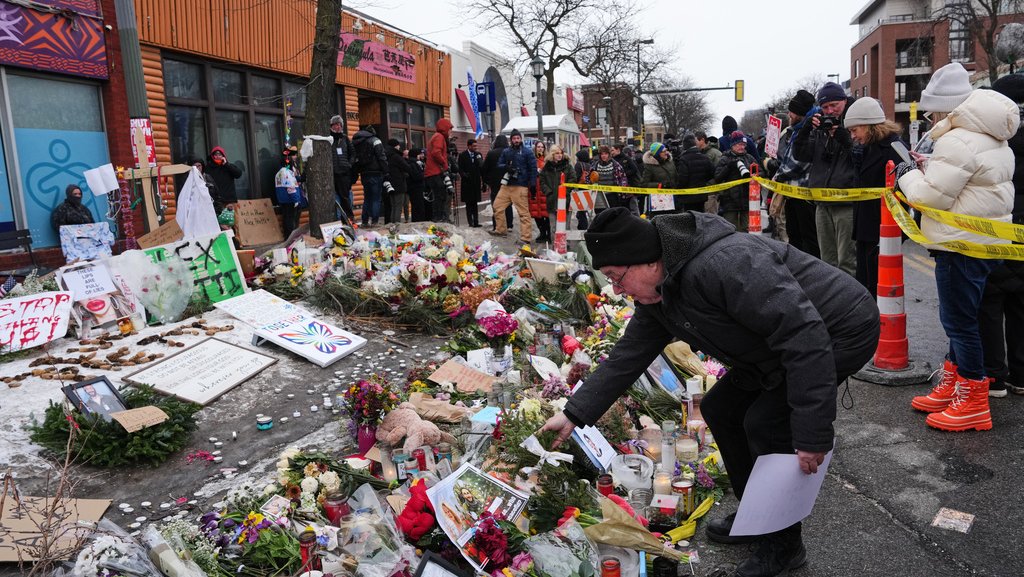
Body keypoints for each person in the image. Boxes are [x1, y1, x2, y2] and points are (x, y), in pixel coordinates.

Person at [539, 207, 879, 577]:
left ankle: (783, 548)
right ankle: (756, 515)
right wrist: (573, 414)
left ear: (646, 261)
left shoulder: (724, 263)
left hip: (838, 330)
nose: (618, 290)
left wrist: (812, 432)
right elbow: (627, 356)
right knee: (721, 408)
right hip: (772, 347)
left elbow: (804, 336)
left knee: (767, 423)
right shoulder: (660, 293)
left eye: (617, 278)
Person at [899, 88, 1019, 432]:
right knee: (966, 317)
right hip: (984, 244)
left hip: (958, 245)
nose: (930, 119)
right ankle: (955, 385)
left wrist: (908, 173)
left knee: (959, 323)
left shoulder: (957, 141)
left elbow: (928, 196)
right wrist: (931, 169)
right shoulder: (995, 141)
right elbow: (970, 184)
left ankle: (972, 401)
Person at [980, 73, 1024, 397]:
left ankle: (994, 375)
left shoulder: (995, 138)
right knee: (1021, 302)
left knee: (990, 299)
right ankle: (1021, 375)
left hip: (998, 223)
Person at [793, 82, 858, 275]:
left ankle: (850, 301)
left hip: (846, 202)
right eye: (825, 107)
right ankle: (833, 301)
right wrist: (805, 128)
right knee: (827, 261)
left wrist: (841, 135)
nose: (830, 111)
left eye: (834, 105)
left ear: (844, 102)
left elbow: (860, 157)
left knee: (847, 260)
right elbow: (801, 154)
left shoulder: (855, 124)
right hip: (822, 203)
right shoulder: (820, 129)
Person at [844, 98, 904, 298]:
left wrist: (897, 233)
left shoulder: (894, 148)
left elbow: (907, 190)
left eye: (855, 130)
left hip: (883, 232)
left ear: (869, 126)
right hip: (865, 229)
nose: (853, 136)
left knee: (879, 289)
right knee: (866, 286)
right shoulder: (866, 148)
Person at [770, 89, 819, 257]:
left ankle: (813, 276)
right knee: (795, 238)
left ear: (800, 113)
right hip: (792, 194)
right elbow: (787, 158)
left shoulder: (811, 129)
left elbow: (799, 163)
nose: (789, 114)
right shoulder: (796, 130)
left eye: (792, 111)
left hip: (805, 196)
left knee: (809, 241)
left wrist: (777, 175)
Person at [490, 129, 537, 242]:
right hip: (506, 185)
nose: (516, 140)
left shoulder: (527, 152)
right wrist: (506, 167)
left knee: (523, 213)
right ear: (511, 140)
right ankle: (501, 229)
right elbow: (499, 164)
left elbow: (533, 169)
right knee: (497, 206)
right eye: (514, 138)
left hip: (520, 186)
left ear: (521, 139)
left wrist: (533, 184)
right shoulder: (506, 151)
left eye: (518, 138)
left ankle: (526, 237)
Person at [714, 131, 756, 232]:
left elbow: (761, 174)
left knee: (747, 231)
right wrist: (729, 167)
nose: (742, 147)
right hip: (729, 202)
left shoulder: (750, 158)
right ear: (732, 145)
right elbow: (717, 177)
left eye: (744, 145)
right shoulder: (724, 159)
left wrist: (752, 175)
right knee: (730, 230)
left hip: (746, 200)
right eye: (739, 144)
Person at [351, 126, 393, 228]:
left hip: (364, 173)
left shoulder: (357, 142)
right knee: (376, 198)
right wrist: (386, 171)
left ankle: (365, 221)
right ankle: (374, 221)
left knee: (367, 198)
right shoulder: (375, 140)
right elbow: (381, 156)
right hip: (376, 173)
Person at [540, 145, 574, 238]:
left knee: (565, 227)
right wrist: (548, 192)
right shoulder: (546, 167)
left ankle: (566, 246)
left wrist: (565, 192)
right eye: (557, 153)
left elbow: (573, 179)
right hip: (551, 201)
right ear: (552, 154)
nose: (560, 155)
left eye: (561, 153)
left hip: (565, 201)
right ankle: (554, 248)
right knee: (553, 227)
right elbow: (542, 181)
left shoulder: (568, 166)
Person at [675, 134, 715, 213]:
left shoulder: (683, 159)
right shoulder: (705, 157)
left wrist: (678, 190)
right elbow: (712, 173)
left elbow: (683, 179)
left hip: (688, 196)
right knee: (700, 217)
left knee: (689, 219)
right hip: (701, 195)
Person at [425, 118, 455, 223]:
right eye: (450, 128)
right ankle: (438, 218)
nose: (451, 131)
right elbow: (436, 153)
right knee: (440, 195)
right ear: (445, 128)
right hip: (435, 172)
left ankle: (438, 218)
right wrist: (445, 164)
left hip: (433, 172)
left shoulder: (437, 136)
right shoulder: (439, 137)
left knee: (439, 194)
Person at [483, 134, 513, 231]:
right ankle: (509, 224)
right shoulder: (510, 153)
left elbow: (484, 169)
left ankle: (497, 225)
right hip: (507, 182)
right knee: (508, 204)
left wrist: (487, 181)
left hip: (495, 183)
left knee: (496, 203)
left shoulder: (491, 153)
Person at [587, 146, 629, 215]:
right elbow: (588, 178)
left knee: (612, 215)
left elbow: (622, 179)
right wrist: (591, 184)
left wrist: (623, 193)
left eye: (605, 154)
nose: (604, 156)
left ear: (609, 154)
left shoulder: (615, 165)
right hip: (599, 196)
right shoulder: (595, 165)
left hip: (612, 195)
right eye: (602, 154)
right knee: (600, 215)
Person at [639, 142, 677, 216]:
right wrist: (661, 185)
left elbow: (676, 177)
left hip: (672, 200)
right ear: (657, 153)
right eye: (664, 151)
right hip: (658, 203)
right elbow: (644, 185)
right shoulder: (649, 166)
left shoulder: (670, 162)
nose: (666, 153)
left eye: (666, 150)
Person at [330, 115, 356, 221]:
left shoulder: (345, 138)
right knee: (333, 198)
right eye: (336, 124)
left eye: (340, 124)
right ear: (331, 126)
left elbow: (353, 153)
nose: (338, 127)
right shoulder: (328, 138)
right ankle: (336, 220)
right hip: (331, 173)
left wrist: (349, 164)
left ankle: (348, 219)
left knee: (345, 197)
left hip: (344, 173)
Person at [274, 146, 303, 237]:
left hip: (283, 200)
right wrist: (296, 200)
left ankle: (287, 237)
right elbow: (291, 188)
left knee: (286, 219)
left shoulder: (278, 173)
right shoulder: (287, 173)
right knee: (291, 220)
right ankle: (291, 237)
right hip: (290, 200)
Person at [458, 138, 484, 227]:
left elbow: (481, 168)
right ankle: (470, 222)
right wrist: (464, 175)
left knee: (475, 203)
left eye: (476, 146)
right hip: (467, 183)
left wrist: (483, 182)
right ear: (469, 146)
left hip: (476, 182)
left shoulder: (478, 155)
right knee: (468, 204)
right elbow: (460, 168)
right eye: (474, 146)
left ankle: (476, 222)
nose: (476, 147)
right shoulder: (462, 155)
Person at [385, 139, 413, 223]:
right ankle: (397, 225)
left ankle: (392, 225)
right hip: (399, 183)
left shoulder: (385, 155)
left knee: (393, 206)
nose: (399, 147)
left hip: (389, 183)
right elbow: (407, 167)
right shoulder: (396, 156)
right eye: (398, 145)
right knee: (398, 206)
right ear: (395, 146)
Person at [612, 143, 642, 214]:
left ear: (618, 150)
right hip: (619, 189)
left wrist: (623, 175)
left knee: (633, 206)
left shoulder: (626, 158)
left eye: (613, 150)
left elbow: (634, 169)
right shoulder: (613, 160)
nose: (611, 152)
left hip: (630, 186)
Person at [531, 140, 551, 242]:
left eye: (542, 147)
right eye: (538, 147)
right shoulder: (532, 160)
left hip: (544, 189)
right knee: (536, 213)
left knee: (546, 213)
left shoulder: (547, 160)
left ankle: (548, 234)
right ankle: (542, 233)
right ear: (535, 148)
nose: (540, 149)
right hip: (534, 189)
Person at [407, 147, 428, 222]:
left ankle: (418, 219)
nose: (421, 156)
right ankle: (419, 221)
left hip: (415, 187)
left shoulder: (414, 163)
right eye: (419, 154)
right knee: (418, 206)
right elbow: (416, 176)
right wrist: (424, 173)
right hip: (416, 187)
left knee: (417, 206)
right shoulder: (413, 163)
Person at [573, 148, 593, 229]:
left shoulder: (578, 165)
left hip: (580, 188)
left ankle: (582, 227)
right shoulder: (589, 165)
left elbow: (576, 177)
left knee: (581, 210)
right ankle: (583, 225)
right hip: (588, 188)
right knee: (583, 209)